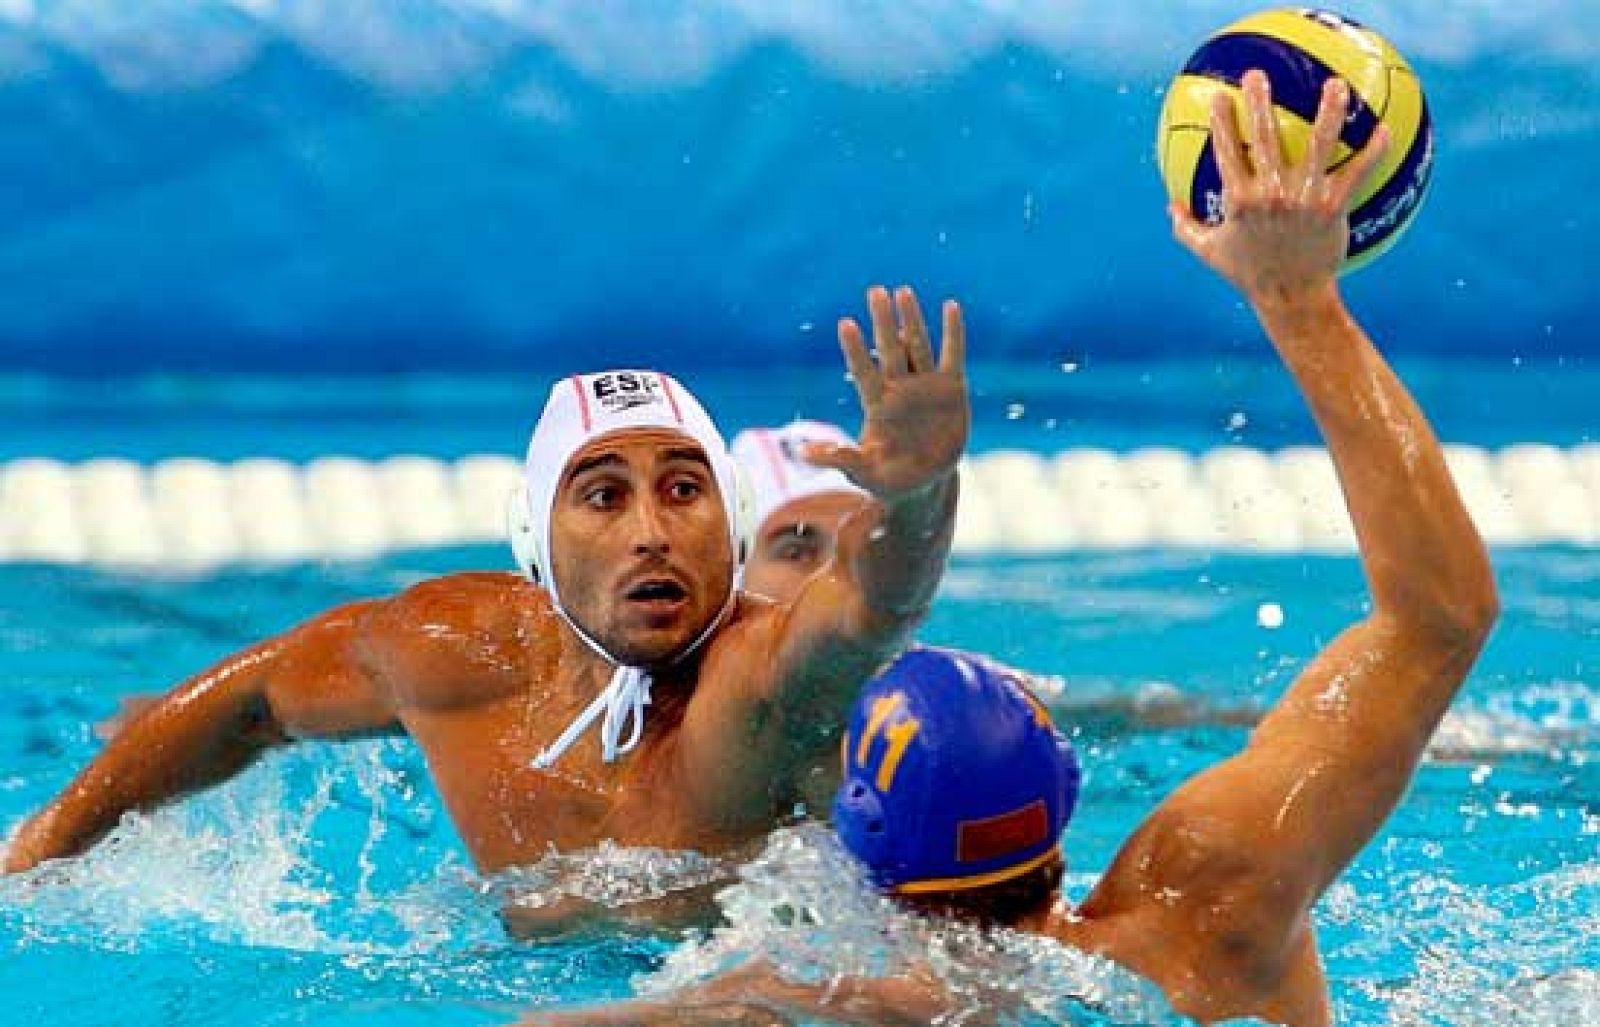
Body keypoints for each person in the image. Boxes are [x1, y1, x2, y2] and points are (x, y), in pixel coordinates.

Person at [521, 71, 1500, 1026]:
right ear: (1063, 803)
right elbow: (1440, 619)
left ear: (858, 855)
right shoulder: (1216, 898)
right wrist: (1299, 301)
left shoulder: (834, 995)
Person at [2, 286, 970, 887]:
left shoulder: (759, 687)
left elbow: (868, 609)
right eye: (602, 495)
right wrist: (40, 847)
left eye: (684, 491)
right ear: (536, 545)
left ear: (735, 526)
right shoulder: (453, 653)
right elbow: (254, 701)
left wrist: (924, 493)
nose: (649, 532)